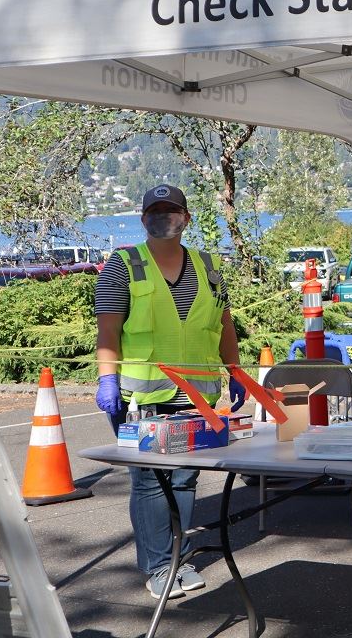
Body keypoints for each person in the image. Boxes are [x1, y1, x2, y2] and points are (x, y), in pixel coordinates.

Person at [94, 184, 245, 600]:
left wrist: (235, 370)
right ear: (143, 219)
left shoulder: (208, 265)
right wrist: (108, 380)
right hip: (142, 399)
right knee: (149, 483)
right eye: (155, 211)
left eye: (171, 210)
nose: (164, 217)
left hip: (197, 396)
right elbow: (108, 328)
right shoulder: (123, 265)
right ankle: (158, 566)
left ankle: (178, 557)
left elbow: (223, 322)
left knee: (184, 480)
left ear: (186, 218)